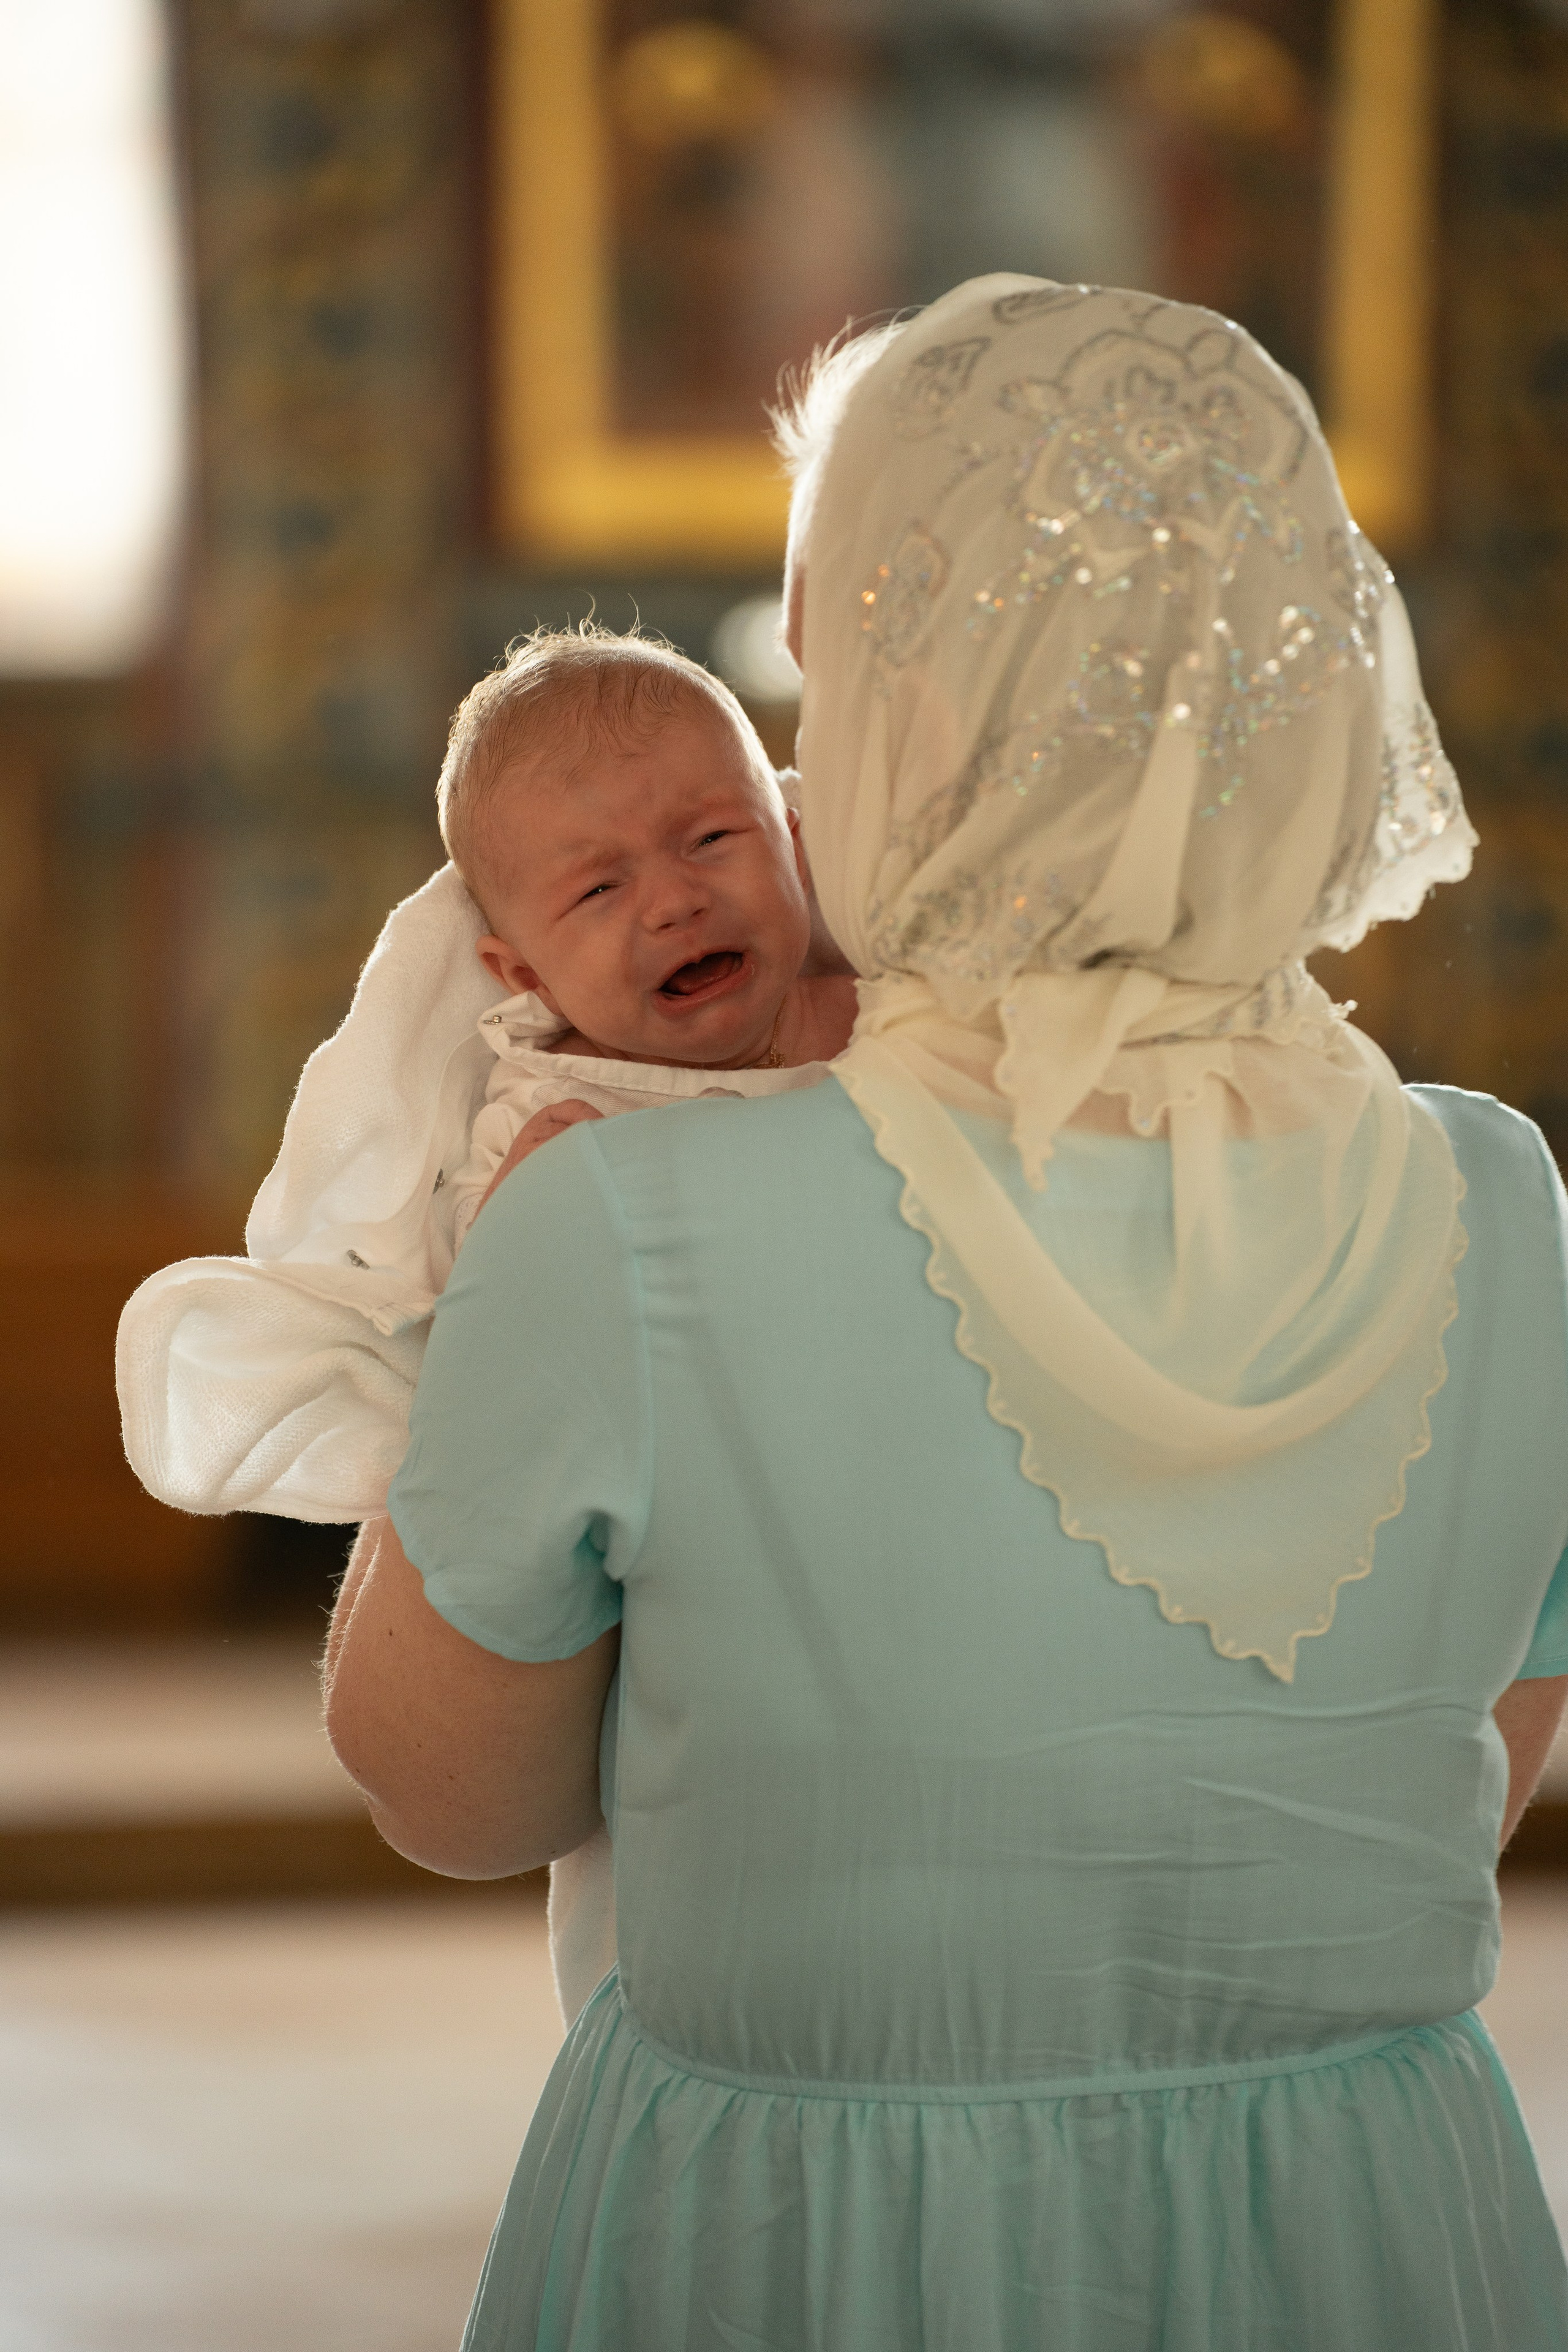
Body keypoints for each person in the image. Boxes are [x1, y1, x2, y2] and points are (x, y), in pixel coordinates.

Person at [325, 277, 1568, 2350]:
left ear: (915, 707)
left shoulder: (618, 1218)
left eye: (829, 667)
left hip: (811, 2252)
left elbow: (452, 1795)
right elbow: (1475, 1758)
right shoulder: (1504, 1200)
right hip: (1369, 2233)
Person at [116, 625, 854, 2017]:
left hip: (885, 1490)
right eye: (597, 888)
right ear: (517, 974)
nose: (672, 904)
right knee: (678, 1825)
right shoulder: (543, 1130)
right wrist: (515, 1259)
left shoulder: (885, 1012)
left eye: (710, 837)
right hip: (683, 1560)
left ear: (793, 833)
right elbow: (506, 1395)